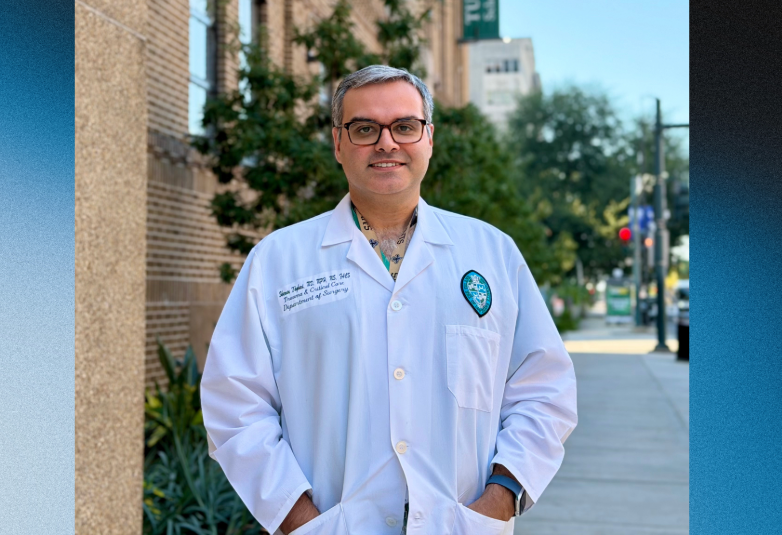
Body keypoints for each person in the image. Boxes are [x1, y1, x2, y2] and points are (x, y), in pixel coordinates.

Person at [200, 66, 577, 535]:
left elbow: (544, 390)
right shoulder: (278, 260)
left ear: (429, 138)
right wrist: (297, 520)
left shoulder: (492, 253)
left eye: (404, 126)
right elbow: (234, 402)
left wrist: (501, 497)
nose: (386, 142)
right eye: (364, 129)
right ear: (338, 143)